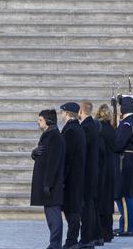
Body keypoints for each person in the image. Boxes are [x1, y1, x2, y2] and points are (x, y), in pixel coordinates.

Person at [30, 108, 65, 249]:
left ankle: (55, 244)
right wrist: (34, 154)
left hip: (52, 184)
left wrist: (48, 184)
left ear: (48, 121)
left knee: (54, 216)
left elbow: (54, 162)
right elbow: (43, 156)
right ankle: (54, 243)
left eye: (40, 120)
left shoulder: (54, 137)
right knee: (50, 216)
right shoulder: (47, 135)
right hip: (48, 183)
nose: (38, 123)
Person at [58, 102, 85, 249]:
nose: (61, 115)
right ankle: (72, 239)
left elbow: (67, 156)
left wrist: (61, 177)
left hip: (72, 177)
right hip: (75, 175)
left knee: (71, 209)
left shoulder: (71, 131)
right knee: (71, 208)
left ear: (67, 113)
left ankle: (72, 240)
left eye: (62, 112)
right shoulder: (74, 128)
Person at [114, 95, 133, 236]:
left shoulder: (126, 123)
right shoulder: (131, 121)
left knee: (123, 195)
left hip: (125, 159)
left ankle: (127, 227)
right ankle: (128, 225)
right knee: (127, 195)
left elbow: (118, 144)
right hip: (130, 158)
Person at [78, 101, 102, 249]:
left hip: (87, 172)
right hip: (93, 170)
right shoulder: (92, 125)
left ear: (81, 111)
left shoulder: (86, 127)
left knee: (86, 207)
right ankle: (97, 235)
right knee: (92, 205)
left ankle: (87, 238)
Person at [95, 104, 116, 243]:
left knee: (100, 200)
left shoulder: (99, 129)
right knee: (108, 200)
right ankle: (108, 232)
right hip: (112, 166)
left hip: (101, 166)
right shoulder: (112, 129)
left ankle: (101, 232)